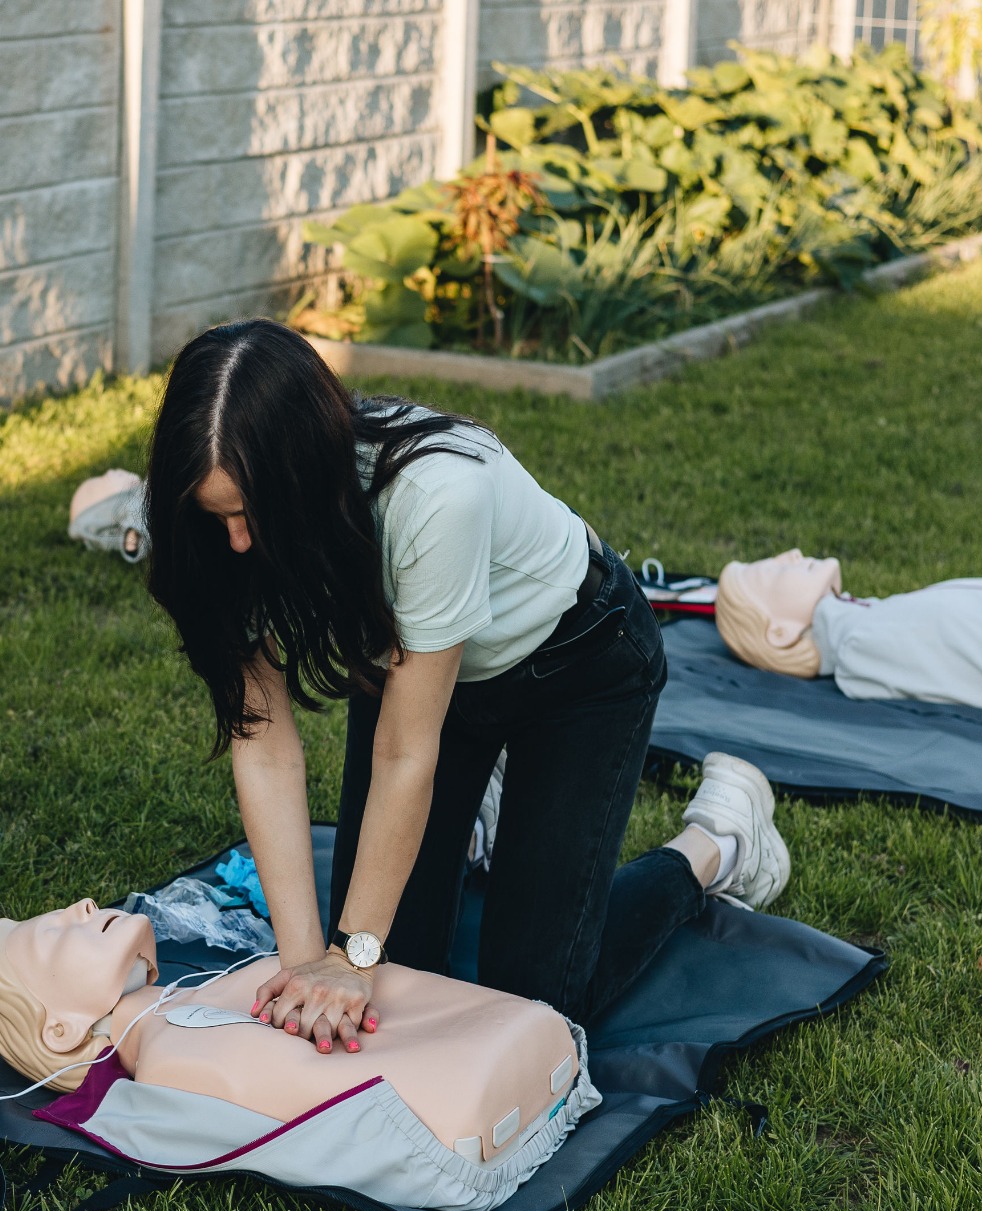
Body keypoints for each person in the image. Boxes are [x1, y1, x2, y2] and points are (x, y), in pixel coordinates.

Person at [141, 319, 795, 1056]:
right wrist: (308, 966)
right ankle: (477, 816)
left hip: (578, 666)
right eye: (216, 514)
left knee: (534, 1002)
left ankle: (720, 839)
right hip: (423, 675)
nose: (236, 539)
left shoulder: (435, 496)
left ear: (301, 475)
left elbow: (403, 755)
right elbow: (261, 742)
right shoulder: (210, 518)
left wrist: (353, 956)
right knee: (402, 968)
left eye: (249, 514)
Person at [0, 900, 598, 1211]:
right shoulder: (171, 1059)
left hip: (505, 1071)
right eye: (55, 931)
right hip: (474, 1116)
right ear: (60, 1031)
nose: (82, 906)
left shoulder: (198, 1002)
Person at [712, 550, 982, 733]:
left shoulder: (870, 624)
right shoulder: (862, 644)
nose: (788, 555)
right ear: (780, 632)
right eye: (770, 570)